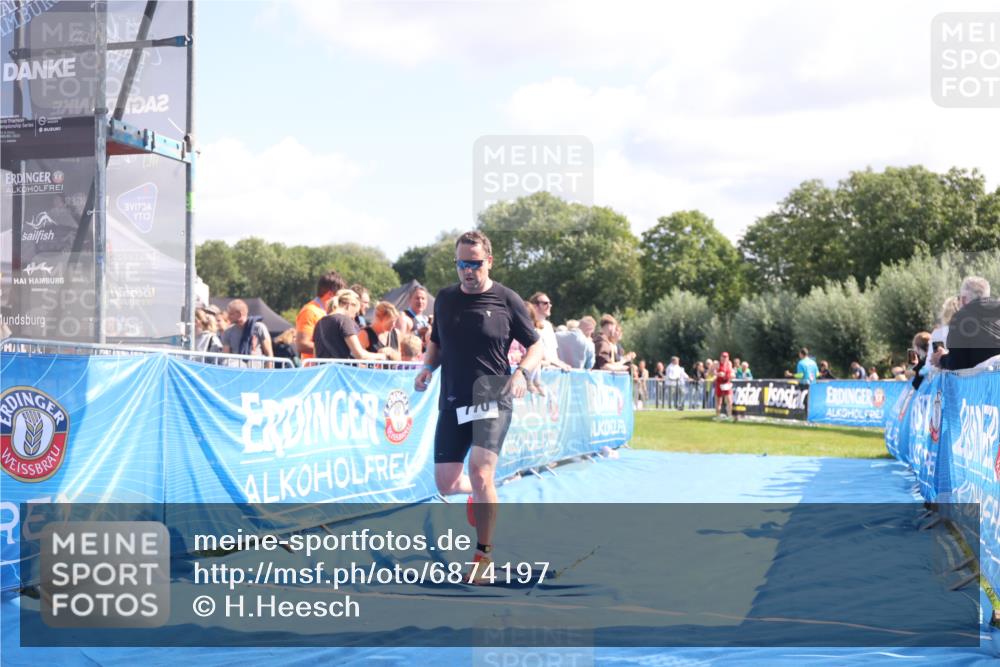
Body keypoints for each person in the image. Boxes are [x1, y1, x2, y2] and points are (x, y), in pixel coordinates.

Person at [413, 231, 542, 585]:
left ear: (489, 262)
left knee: (481, 471)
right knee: (446, 483)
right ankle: (483, 495)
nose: (467, 271)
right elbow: (437, 342)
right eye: (461, 264)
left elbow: (535, 345)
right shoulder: (445, 299)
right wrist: (427, 368)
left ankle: (483, 556)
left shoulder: (506, 299)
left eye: (475, 263)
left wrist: (521, 373)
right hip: (454, 396)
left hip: (492, 393)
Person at [932, 277, 1000, 371]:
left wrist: (941, 359)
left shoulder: (961, 316)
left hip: (981, 377)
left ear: (963, 299)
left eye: (959, 298)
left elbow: (957, 363)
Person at [313, 289, 390, 361]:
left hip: (324, 370)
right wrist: (381, 356)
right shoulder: (344, 321)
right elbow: (359, 354)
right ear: (349, 305)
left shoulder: (320, 323)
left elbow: (315, 355)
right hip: (342, 370)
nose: (354, 317)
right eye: (355, 313)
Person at [296, 270, 346, 361]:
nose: (342, 299)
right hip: (314, 368)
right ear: (330, 294)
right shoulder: (310, 311)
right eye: (340, 296)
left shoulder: (331, 312)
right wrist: (334, 349)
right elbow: (302, 344)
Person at [221, 299, 273, 365]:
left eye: (231, 314)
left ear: (239, 314)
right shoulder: (228, 332)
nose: (228, 316)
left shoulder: (259, 327)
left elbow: (269, 354)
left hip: (255, 368)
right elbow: (226, 356)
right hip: (235, 368)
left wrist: (269, 370)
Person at [528, 293, 572, 370]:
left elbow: (553, 354)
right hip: (537, 370)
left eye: (550, 303)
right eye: (545, 303)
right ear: (535, 306)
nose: (549, 306)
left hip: (552, 371)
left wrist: (561, 364)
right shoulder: (529, 326)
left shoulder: (548, 326)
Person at [715, 351, 734, 419]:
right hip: (719, 383)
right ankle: (717, 416)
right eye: (723, 357)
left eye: (726, 357)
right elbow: (712, 372)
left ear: (728, 358)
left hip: (727, 383)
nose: (724, 358)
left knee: (729, 400)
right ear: (720, 357)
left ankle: (729, 415)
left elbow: (731, 372)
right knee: (718, 401)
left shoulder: (729, 363)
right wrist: (718, 374)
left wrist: (732, 375)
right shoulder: (717, 364)